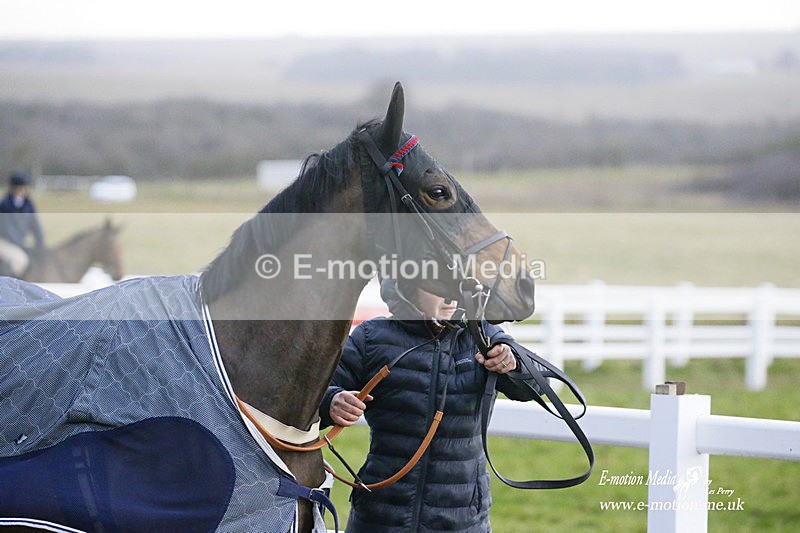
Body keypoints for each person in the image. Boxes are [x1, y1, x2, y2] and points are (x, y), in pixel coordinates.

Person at [319, 279, 539, 532]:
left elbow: (532, 387)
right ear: (408, 286)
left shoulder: (484, 335)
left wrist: (515, 364)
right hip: (380, 514)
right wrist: (332, 401)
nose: (451, 297)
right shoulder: (371, 337)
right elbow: (315, 394)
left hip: (462, 518)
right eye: (438, 286)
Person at [0, 171, 45, 277]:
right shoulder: (4, 205)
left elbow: (35, 225)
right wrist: (20, 244)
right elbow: (7, 229)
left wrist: (40, 244)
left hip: (19, 242)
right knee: (19, 260)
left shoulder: (28, 205)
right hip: (4, 242)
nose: (21, 191)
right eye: (18, 188)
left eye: (23, 188)